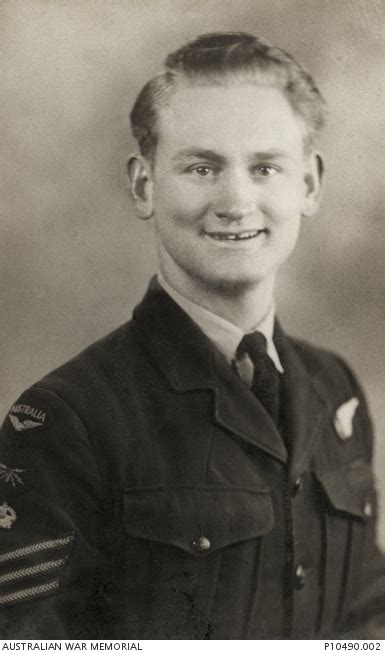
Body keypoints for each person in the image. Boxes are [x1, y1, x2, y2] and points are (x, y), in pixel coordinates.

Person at [0, 31, 384, 640]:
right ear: (144, 185)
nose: (236, 201)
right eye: (202, 167)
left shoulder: (334, 387)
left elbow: (364, 621)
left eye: (265, 167)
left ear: (308, 184)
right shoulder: (68, 419)